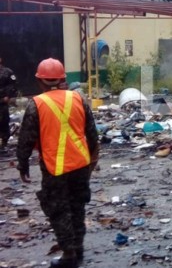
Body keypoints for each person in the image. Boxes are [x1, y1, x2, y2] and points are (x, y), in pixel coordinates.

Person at [17, 58, 99, 267]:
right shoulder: (78, 99)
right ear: (63, 78)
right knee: (77, 206)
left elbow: (26, 138)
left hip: (56, 168)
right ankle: (78, 249)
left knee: (59, 210)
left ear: (40, 81)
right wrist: (91, 160)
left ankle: (69, 255)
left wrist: (23, 165)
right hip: (80, 164)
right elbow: (92, 133)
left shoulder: (36, 104)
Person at [0, 56, 17, 155]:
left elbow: (13, 84)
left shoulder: (7, 72)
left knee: (3, 121)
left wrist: (8, 96)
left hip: (2, 101)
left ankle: (4, 144)